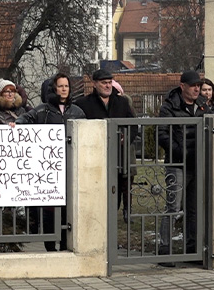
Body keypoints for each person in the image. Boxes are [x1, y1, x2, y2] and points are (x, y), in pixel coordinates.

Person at [15, 72, 86, 251]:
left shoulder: (77, 112)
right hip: (48, 168)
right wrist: (16, 124)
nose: (64, 89)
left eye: (66, 86)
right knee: (49, 209)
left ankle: (64, 244)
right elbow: (25, 119)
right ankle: (49, 245)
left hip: (70, 166)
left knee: (67, 207)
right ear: (53, 88)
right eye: (60, 86)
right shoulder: (42, 110)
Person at [156, 71, 211, 266]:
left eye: (199, 85)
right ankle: (164, 250)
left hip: (198, 163)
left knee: (194, 208)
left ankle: (192, 250)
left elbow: (213, 124)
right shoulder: (170, 106)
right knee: (173, 206)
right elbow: (162, 133)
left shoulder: (203, 105)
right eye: (193, 85)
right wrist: (179, 151)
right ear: (183, 86)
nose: (197, 88)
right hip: (177, 164)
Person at [75, 69, 135, 227]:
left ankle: (110, 231)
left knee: (115, 196)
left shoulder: (122, 102)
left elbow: (133, 125)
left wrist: (126, 138)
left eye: (110, 82)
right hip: (93, 160)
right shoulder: (83, 104)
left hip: (118, 158)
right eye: (104, 83)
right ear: (94, 84)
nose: (108, 86)